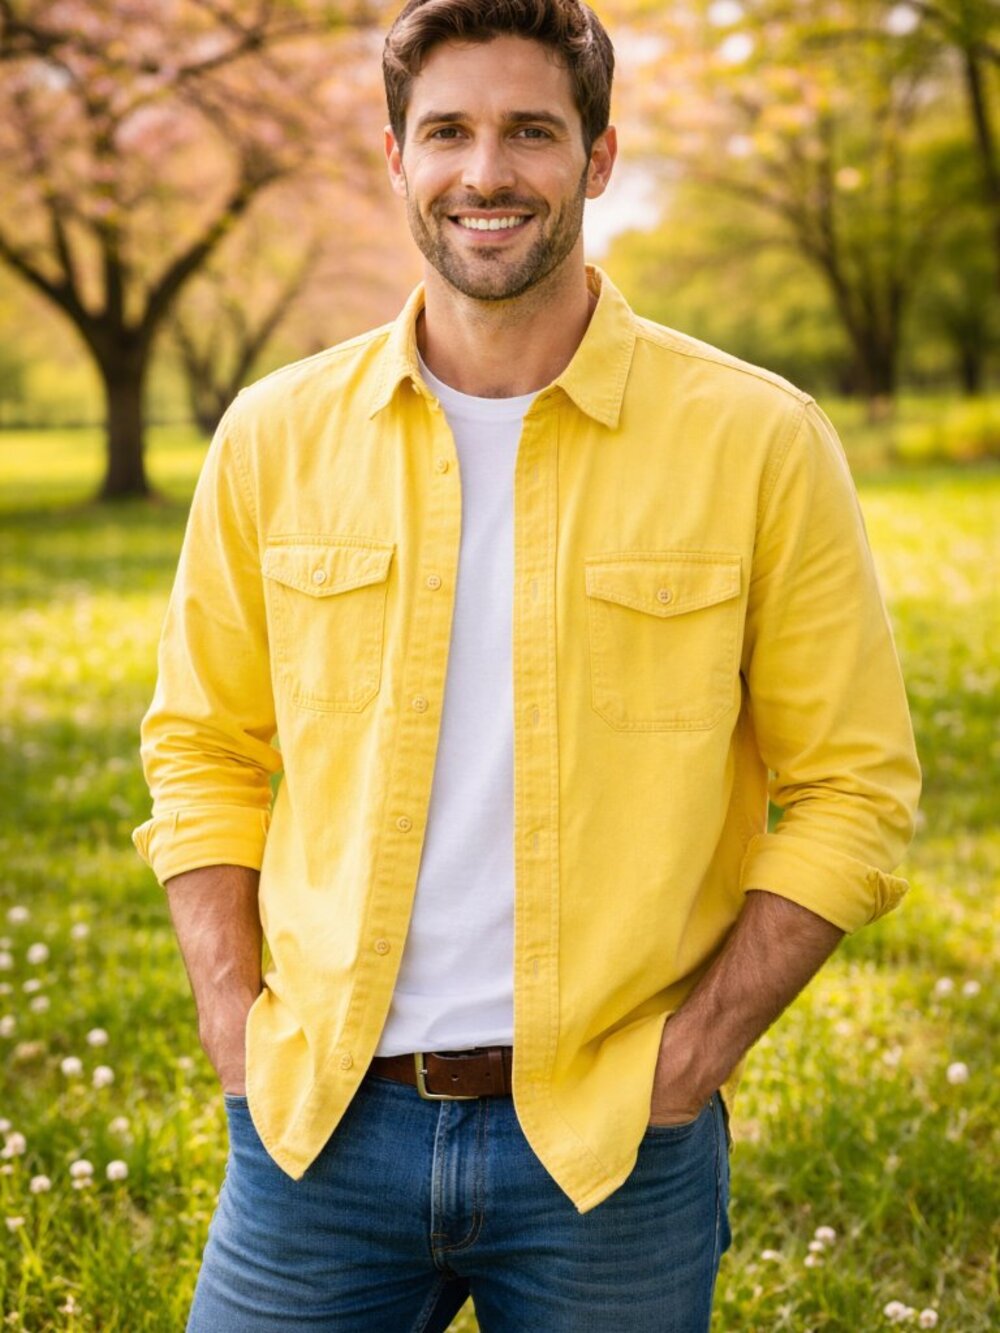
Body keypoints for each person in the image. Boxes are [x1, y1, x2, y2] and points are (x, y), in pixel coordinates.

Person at [132, 1, 921, 1328]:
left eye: (530, 132)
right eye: (446, 129)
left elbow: (856, 788)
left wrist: (693, 1058)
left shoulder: (758, 442)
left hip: (615, 1145)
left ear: (597, 159)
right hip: (317, 1125)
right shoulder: (274, 437)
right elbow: (204, 747)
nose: (483, 171)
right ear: (396, 156)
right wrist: (233, 1024)